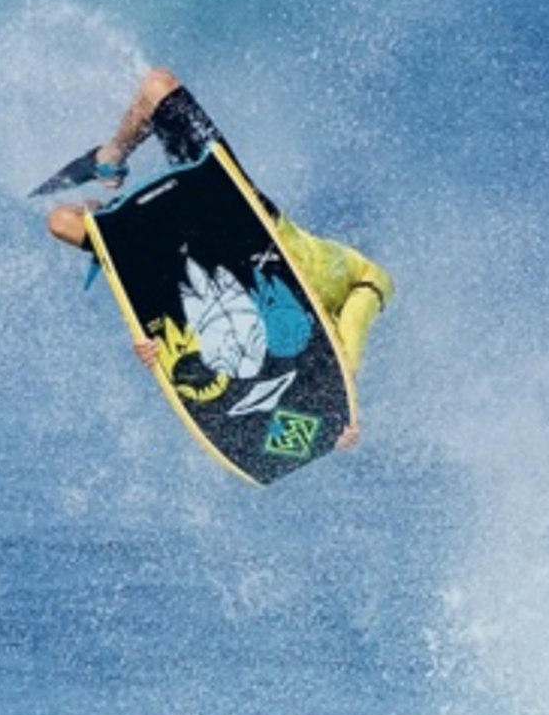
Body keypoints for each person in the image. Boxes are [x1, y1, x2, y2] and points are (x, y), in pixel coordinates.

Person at [47, 68, 393, 451]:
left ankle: (112, 212)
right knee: (158, 87)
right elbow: (376, 278)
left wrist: (153, 350)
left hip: (188, 252)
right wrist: (349, 362)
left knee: (61, 222)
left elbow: (173, 332)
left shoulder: (242, 337)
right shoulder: (324, 298)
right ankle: (110, 157)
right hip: (238, 210)